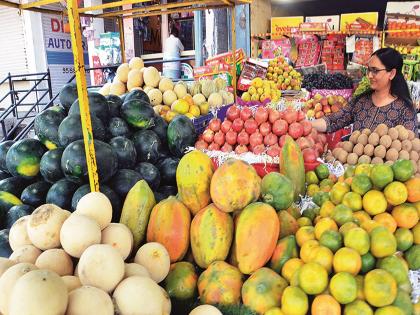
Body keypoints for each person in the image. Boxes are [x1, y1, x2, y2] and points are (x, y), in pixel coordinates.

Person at [311, 48, 418, 135]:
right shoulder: (361, 101)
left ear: (392, 74)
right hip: (354, 161)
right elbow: (333, 120)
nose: (369, 75)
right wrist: (305, 125)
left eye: (375, 71)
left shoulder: (405, 111)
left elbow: (409, 150)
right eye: (369, 70)